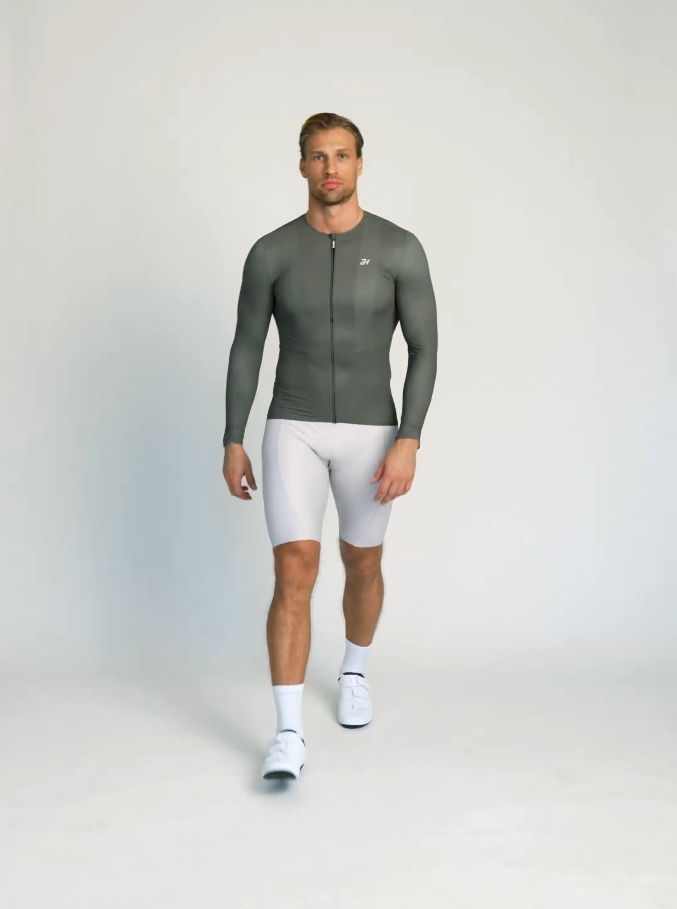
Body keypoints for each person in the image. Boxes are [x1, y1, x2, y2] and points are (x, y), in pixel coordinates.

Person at [221, 112, 438, 781]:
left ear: (360, 163)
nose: (331, 168)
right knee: (293, 570)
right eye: (318, 156)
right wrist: (233, 437)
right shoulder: (271, 252)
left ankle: (353, 670)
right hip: (294, 424)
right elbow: (247, 346)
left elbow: (425, 347)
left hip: (373, 432)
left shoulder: (400, 248)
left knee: (362, 564)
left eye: (342, 155)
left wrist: (408, 439)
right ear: (301, 166)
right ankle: (287, 733)